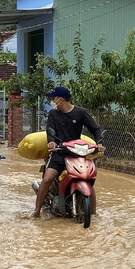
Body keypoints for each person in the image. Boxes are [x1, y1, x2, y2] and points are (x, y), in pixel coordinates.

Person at [33, 86, 105, 218]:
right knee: (47, 178)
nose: (52, 101)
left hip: (77, 153)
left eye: (53, 98)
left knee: (88, 179)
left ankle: (94, 214)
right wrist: (51, 142)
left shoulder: (81, 113)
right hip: (59, 152)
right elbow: (50, 130)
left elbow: (96, 129)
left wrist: (99, 143)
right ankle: (36, 211)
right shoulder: (53, 114)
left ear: (61, 99)